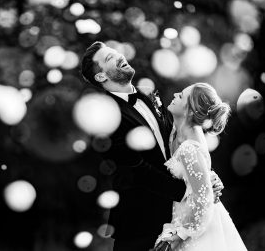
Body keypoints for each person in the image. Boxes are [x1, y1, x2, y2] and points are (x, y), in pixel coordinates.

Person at [80, 41, 224, 251]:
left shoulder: (148, 96)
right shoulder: (106, 115)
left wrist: (205, 177)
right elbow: (134, 169)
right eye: (110, 58)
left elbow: (180, 145)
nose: (120, 56)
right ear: (101, 76)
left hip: (174, 218)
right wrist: (193, 190)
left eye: (117, 52)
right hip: (139, 220)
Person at [154, 83, 247, 251]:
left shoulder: (189, 147)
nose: (175, 94)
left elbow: (203, 199)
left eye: (181, 96)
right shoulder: (177, 131)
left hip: (195, 228)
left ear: (190, 111)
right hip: (184, 217)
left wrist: (180, 234)